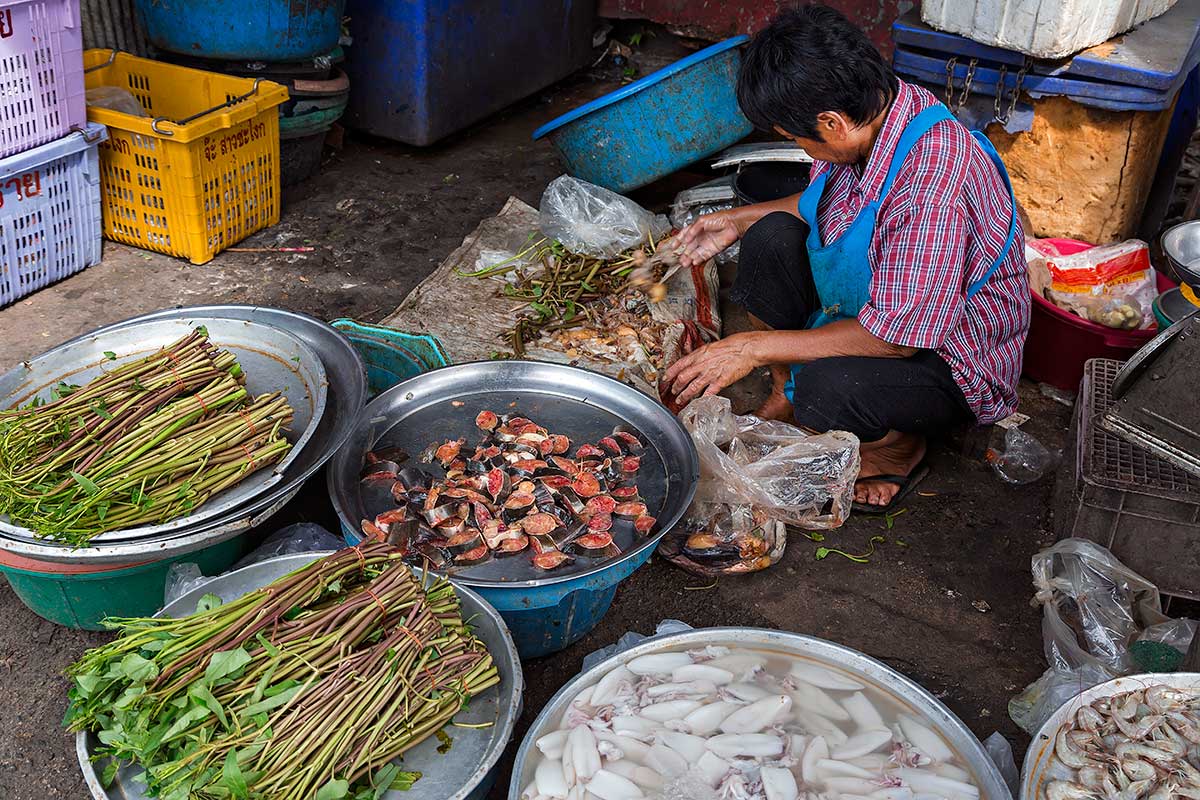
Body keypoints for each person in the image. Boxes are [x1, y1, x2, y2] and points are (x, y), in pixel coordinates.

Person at [663, 5, 1030, 511]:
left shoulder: (932, 185)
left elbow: (897, 339)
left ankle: (896, 449)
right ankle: (787, 392)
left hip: (945, 356)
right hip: (876, 308)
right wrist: (736, 222)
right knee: (770, 235)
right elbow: (839, 205)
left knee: (830, 384)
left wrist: (750, 347)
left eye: (796, 138)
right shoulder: (881, 113)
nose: (801, 150)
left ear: (832, 122)